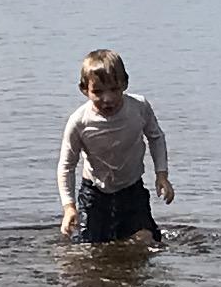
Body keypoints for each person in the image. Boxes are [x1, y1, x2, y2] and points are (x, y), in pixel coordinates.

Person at [56, 46, 174, 245]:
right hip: (94, 193)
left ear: (125, 83)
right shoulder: (79, 121)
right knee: (88, 247)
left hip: (132, 189)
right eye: (98, 92)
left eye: (114, 89)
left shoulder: (139, 107)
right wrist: (69, 207)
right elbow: (66, 166)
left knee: (147, 241)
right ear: (84, 90)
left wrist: (162, 175)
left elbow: (156, 137)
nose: (107, 99)